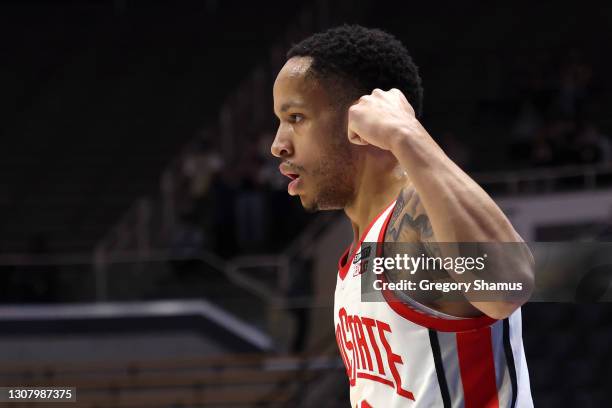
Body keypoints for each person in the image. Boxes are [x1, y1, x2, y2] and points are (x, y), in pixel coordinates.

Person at [270, 25, 535, 407]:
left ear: (361, 118)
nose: (278, 145)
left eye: (295, 117)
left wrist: (406, 134)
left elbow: (512, 285)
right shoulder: (360, 254)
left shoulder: (414, 219)